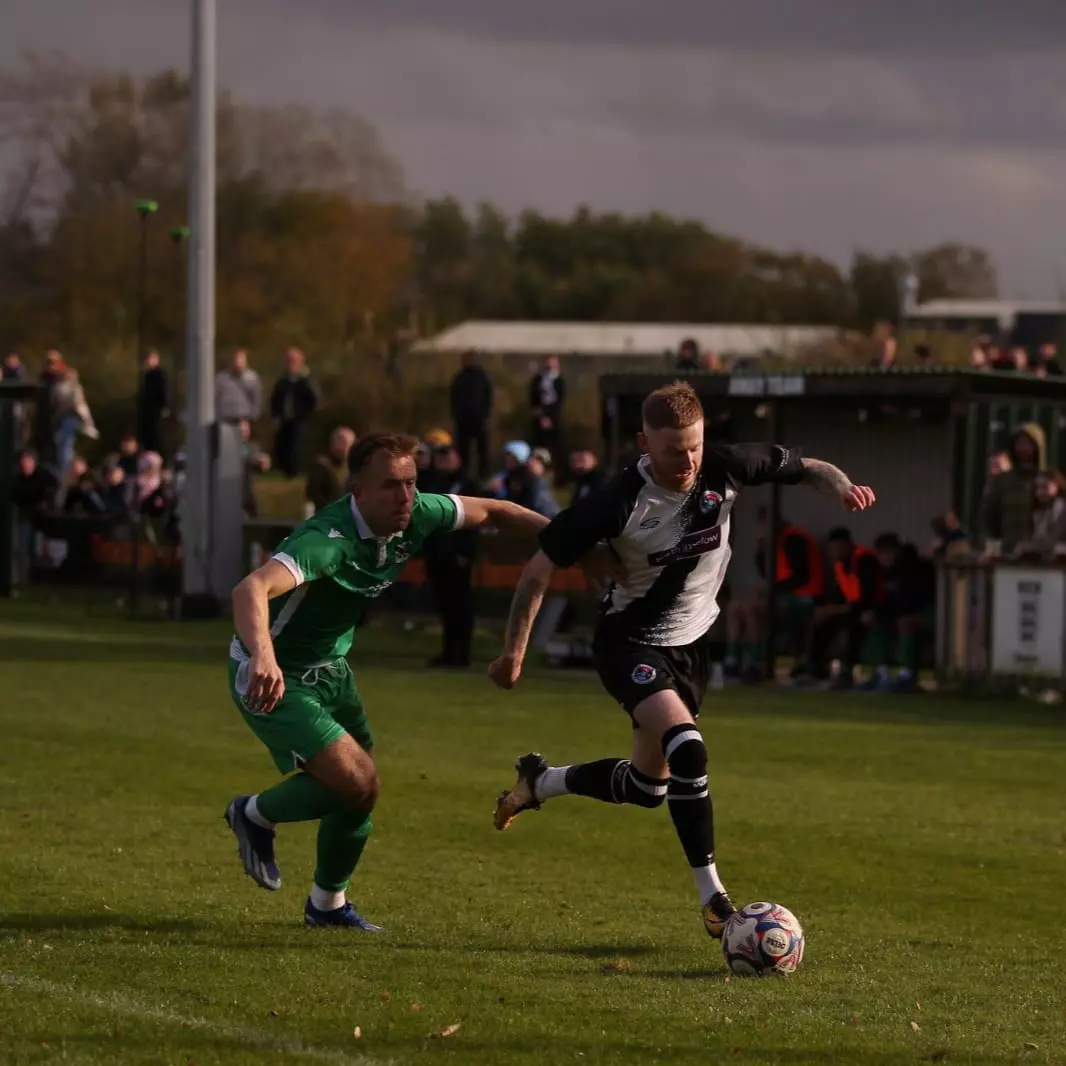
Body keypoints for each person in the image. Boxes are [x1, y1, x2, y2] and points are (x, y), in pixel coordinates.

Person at [487, 381, 875, 942]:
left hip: (694, 646)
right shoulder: (617, 500)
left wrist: (840, 488)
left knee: (649, 788)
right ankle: (714, 898)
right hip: (630, 644)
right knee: (688, 747)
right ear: (646, 442)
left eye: (694, 446)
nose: (688, 460)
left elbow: (805, 465)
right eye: (674, 450)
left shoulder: (724, 465)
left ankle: (540, 782)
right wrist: (513, 653)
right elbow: (538, 568)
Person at [223, 431, 616, 931]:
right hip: (273, 676)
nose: (405, 496)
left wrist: (575, 547)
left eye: (410, 483)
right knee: (357, 781)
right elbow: (250, 589)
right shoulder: (327, 542)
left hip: (332, 670)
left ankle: (327, 905)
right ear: (357, 491)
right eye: (390, 486)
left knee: (362, 789)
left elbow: (497, 512)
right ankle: (254, 814)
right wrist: (263, 656)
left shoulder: (418, 513)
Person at [795, 528, 884, 689]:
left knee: (855, 627)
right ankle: (815, 669)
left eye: (838, 548)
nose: (834, 552)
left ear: (847, 545)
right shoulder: (840, 565)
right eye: (832, 548)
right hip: (850, 610)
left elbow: (868, 594)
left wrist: (839, 609)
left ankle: (848, 672)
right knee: (820, 621)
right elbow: (839, 594)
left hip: (872, 609)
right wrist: (829, 608)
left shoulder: (863, 559)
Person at [305, 426, 357, 515]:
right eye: (343, 443)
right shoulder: (322, 466)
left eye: (348, 444)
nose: (345, 448)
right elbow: (313, 493)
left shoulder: (353, 467)